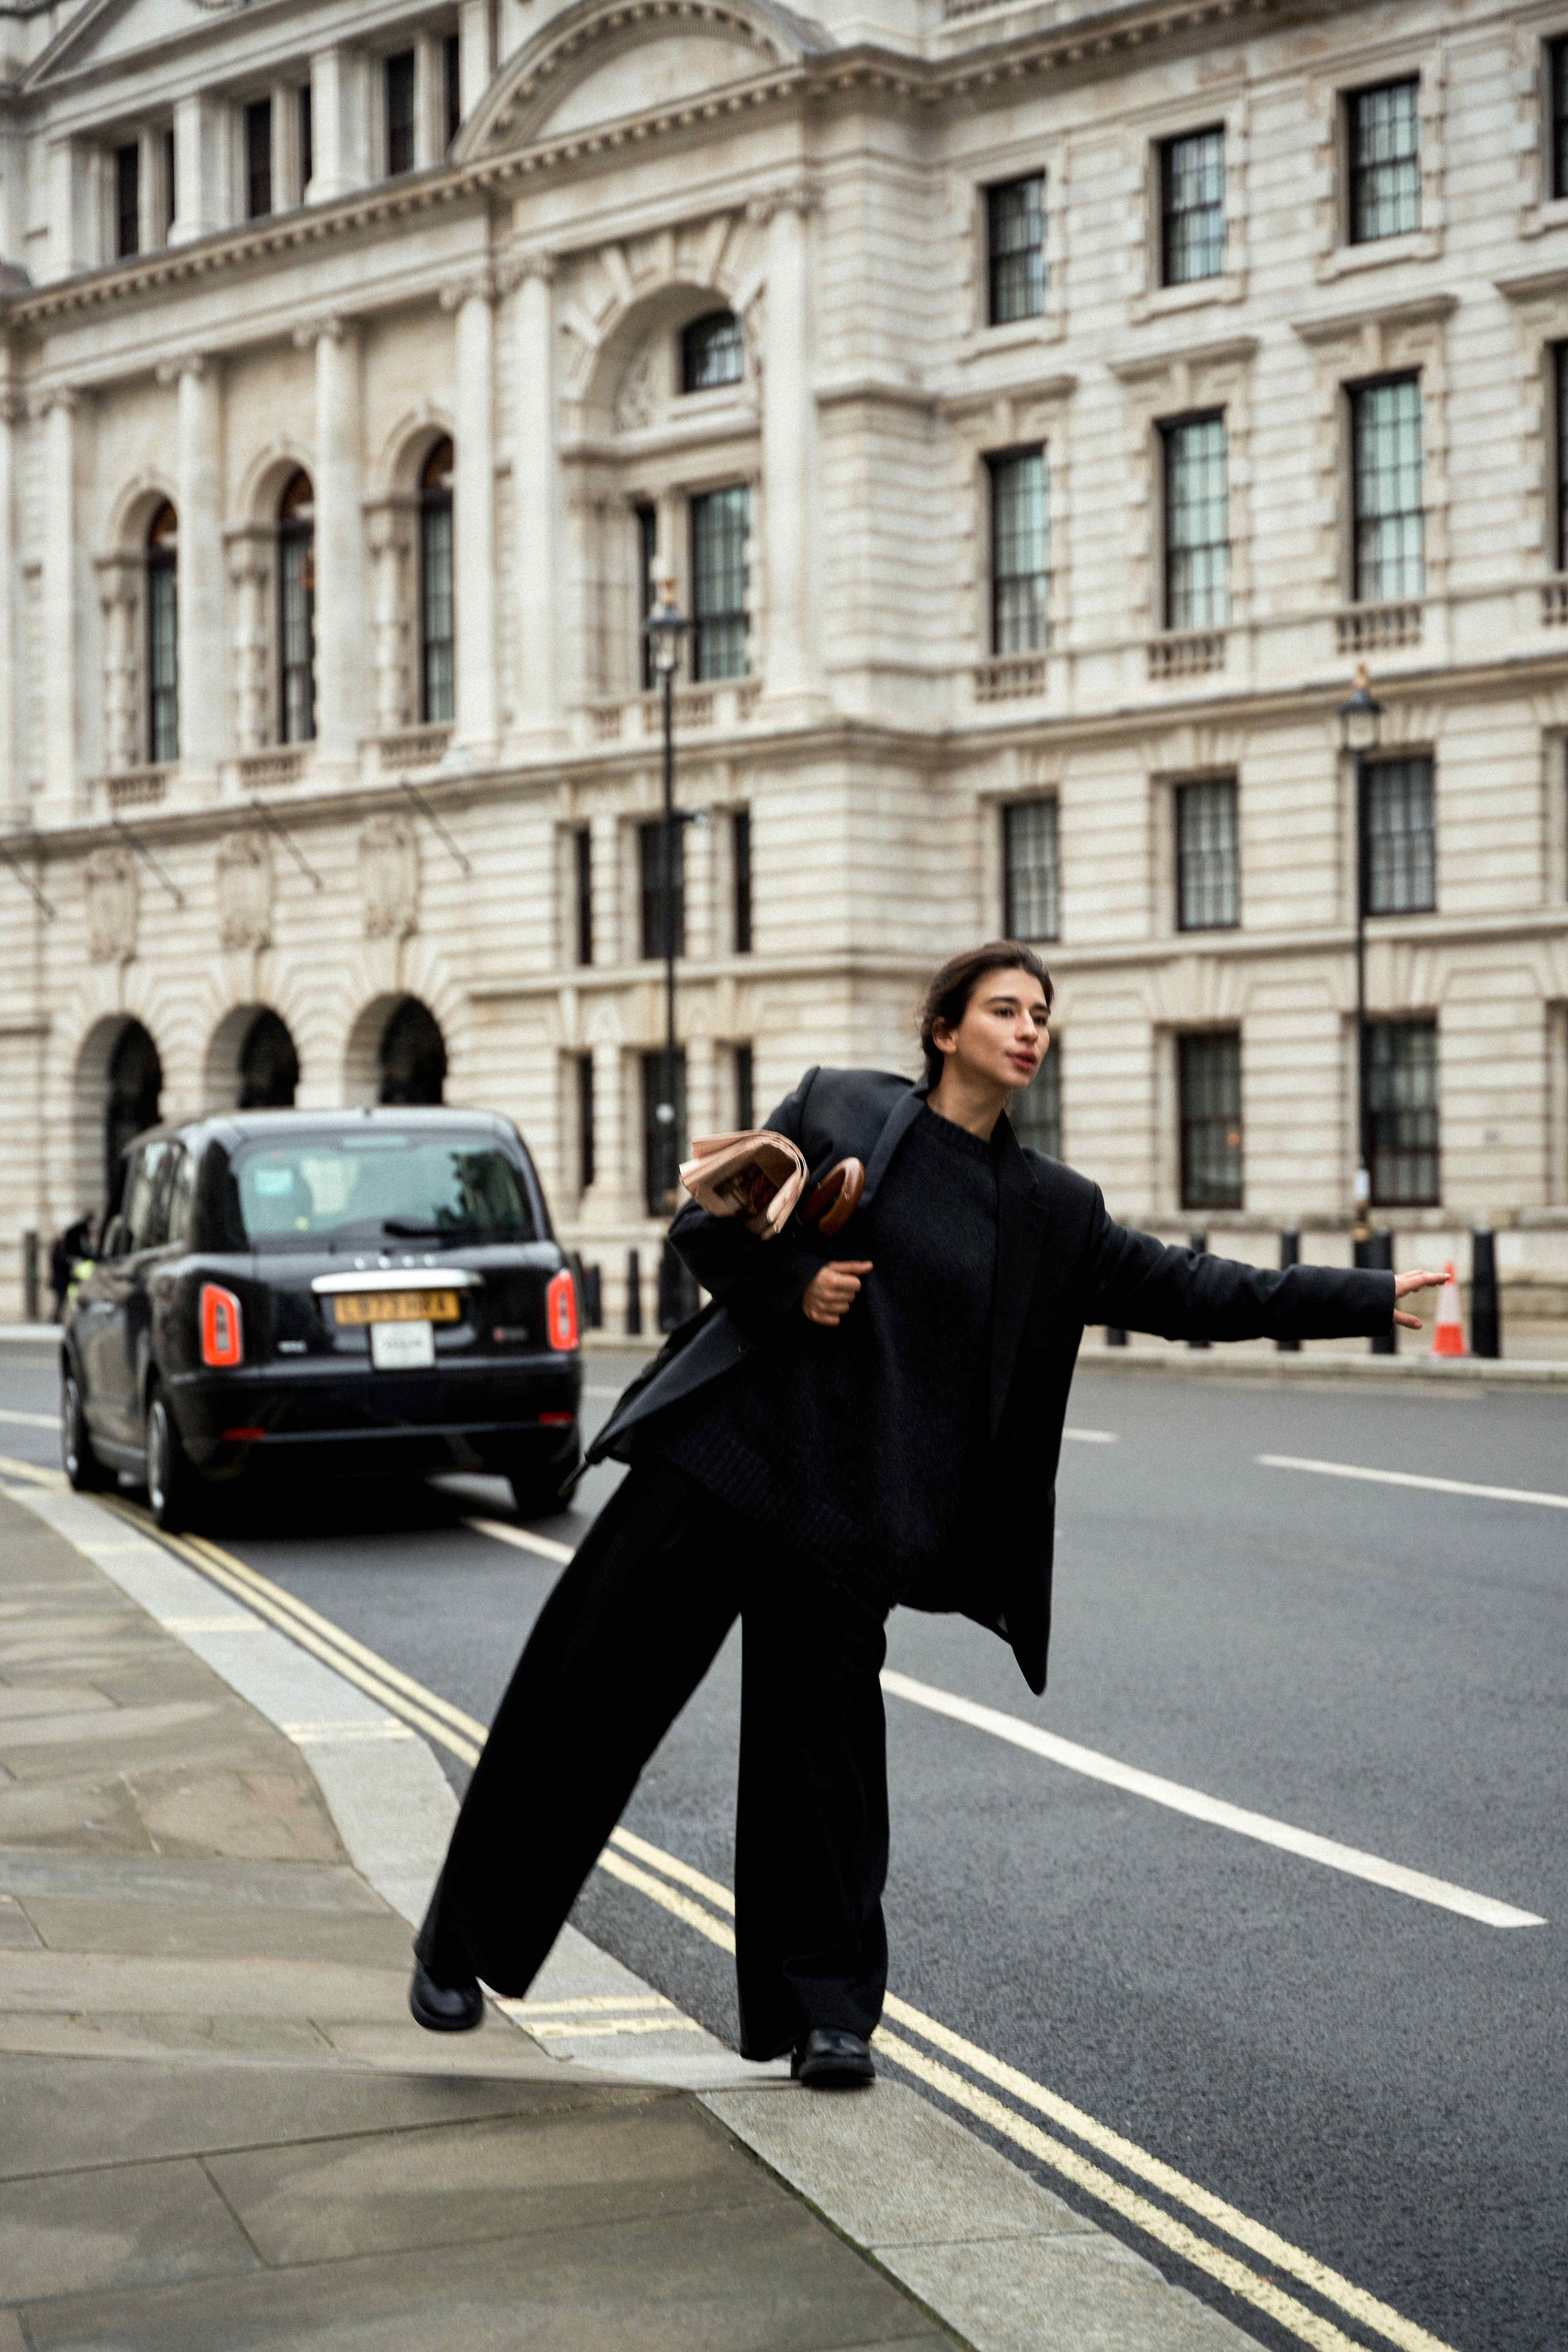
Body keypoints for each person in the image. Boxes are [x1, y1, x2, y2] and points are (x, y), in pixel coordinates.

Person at [410, 942, 1444, 2085]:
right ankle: (462, 1950)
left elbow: (1187, 1287)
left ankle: (827, 2017)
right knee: (585, 1695)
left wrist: (1361, 1295)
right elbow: (704, 1227)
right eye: (1005, 1008)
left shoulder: (1053, 1211)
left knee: (827, 1773)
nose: (1029, 1027)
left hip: (852, 1517)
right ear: (945, 1029)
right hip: (721, 1461)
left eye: (1042, 1014)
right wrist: (792, 1285)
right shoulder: (838, 1107)